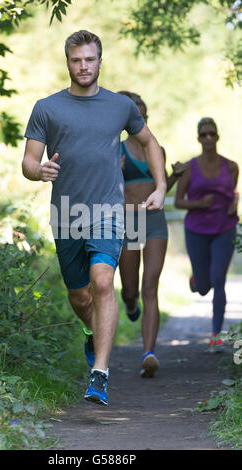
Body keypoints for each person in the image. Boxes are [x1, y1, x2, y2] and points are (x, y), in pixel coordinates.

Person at [22, 30, 166, 406]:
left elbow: (149, 142)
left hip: (107, 210)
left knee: (103, 282)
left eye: (89, 59)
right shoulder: (47, 107)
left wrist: (161, 187)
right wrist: (39, 172)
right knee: (78, 293)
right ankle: (92, 330)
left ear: (100, 61)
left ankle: (99, 374)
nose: (83, 66)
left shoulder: (119, 106)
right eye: (76, 60)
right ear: (67, 62)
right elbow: (28, 161)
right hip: (67, 212)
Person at [118, 91, 188, 377]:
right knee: (132, 289)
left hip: (154, 220)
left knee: (151, 285)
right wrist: (114, 171)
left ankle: (149, 352)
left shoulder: (156, 148)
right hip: (130, 221)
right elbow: (104, 187)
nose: (141, 120)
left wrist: (174, 177)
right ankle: (130, 303)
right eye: (136, 116)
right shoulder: (116, 149)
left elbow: (160, 188)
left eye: (144, 116)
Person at [175, 117, 239, 351]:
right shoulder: (190, 168)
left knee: (219, 279)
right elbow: (179, 202)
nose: (209, 138)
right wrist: (200, 203)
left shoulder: (231, 166)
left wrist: (234, 205)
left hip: (224, 227)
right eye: (204, 134)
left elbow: (232, 194)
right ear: (198, 138)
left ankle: (215, 336)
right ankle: (196, 280)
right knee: (204, 287)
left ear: (218, 136)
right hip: (196, 229)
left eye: (212, 133)